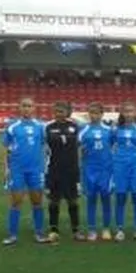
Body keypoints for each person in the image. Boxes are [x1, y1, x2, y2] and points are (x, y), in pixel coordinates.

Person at [2, 97, 50, 245]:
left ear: (34, 108)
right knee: (16, 201)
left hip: (36, 169)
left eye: (29, 106)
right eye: (24, 106)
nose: (26, 108)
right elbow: (5, 149)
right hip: (17, 169)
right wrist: (6, 168)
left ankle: (39, 233)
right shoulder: (12, 126)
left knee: (37, 200)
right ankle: (12, 235)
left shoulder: (41, 127)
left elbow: (47, 146)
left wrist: (47, 165)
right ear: (19, 108)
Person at [45, 101, 84, 242]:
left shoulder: (75, 127)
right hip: (54, 169)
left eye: (62, 111)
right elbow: (43, 146)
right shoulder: (48, 127)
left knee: (72, 201)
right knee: (54, 201)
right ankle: (54, 230)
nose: (59, 113)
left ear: (68, 112)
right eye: (57, 110)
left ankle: (76, 231)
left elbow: (80, 146)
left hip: (71, 169)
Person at [112, 101, 136, 241]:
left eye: (131, 111)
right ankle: (120, 229)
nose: (128, 114)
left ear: (135, 113)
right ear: (121, 113)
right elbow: (108, 144)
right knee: (120, 197)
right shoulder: (115, 130)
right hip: (120, 167)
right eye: (125, 111)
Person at [79, 102, 114, 241]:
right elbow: (78, 147)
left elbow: (114, 145)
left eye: (97, 113)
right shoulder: (83, 130)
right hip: (89, 170)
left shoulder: (109, 130)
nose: (94, 115)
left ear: (102, 114)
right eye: (91, 112)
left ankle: (106, 229)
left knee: (106, 200)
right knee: (91, 200)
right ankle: (92, 230)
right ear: (88, 114)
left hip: (106, 170)